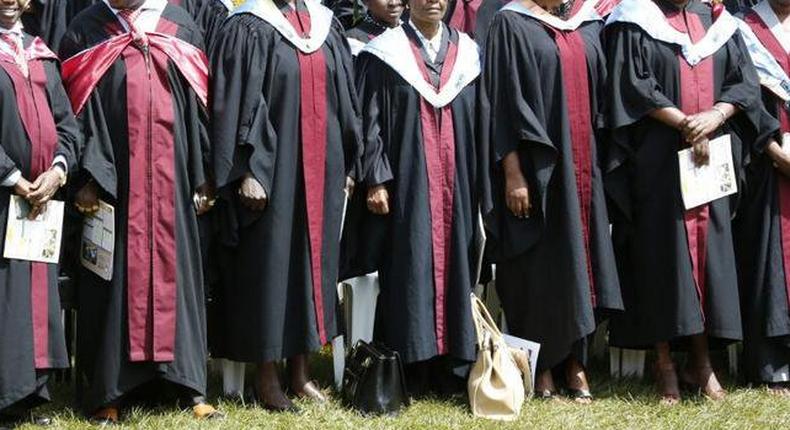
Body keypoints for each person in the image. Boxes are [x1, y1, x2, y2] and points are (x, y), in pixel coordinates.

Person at [605, 0, 776, 404]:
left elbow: (744, 84)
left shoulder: (716, 23)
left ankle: (701, 362)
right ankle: (664, 364)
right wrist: (684, 123)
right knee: (661, 258)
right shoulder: (635, 20)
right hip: (658, 163)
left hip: (710, 161)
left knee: (708, 260)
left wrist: (714, 116)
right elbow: (632, 85)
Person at [59, 0, 219, 423]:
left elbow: (199, 106)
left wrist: (203, 173)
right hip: (114, 182)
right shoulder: (86, 30)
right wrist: (87, 178)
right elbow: (74, 111)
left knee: (178, 275)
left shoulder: (179, 25)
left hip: (173, 182)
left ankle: (188, 384)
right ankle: (109, 389)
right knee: (111, 280)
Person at [210, 0, 362, 413]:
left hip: (322, 171)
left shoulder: (324, 26)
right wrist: (243, 170)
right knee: (270, 269)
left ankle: (301, 370)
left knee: (315, 267)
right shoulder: (247, 25)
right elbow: (232, 102)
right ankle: (266, 373)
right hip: (271, 172)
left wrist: (349, 158)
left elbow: (345, 96)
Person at [481, 0, 623, 403]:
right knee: (538, 265)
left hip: (584, 171)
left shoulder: (587, 22)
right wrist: (512, 173)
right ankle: (540, 366)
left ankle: (575, 362)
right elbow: (499, 102)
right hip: (536, 169)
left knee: (582, 260)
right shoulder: (509, 23)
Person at [343, 0, 484, 396]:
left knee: (456, 265)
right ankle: (413, 364)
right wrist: (375, 179)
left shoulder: (468, 54)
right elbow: (367, 119)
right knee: (409, 264)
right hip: (408, 184)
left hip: (457, 184)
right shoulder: (386, 53)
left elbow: (481, 121)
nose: (432, 2)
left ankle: (452, 364)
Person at [0, 0, 79, 426]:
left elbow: (68, 123)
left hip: (41, 200)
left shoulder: (40, 52)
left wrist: (58, 171)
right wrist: (12, 176)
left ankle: (28, 395)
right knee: (5, 298)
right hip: (5, 196)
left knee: (35, 299)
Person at [734, 0, 790, 395]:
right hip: (768, 162)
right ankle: (771, 366)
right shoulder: (742, 31)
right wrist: (772, 150)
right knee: (769, 260)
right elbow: (743, 100)